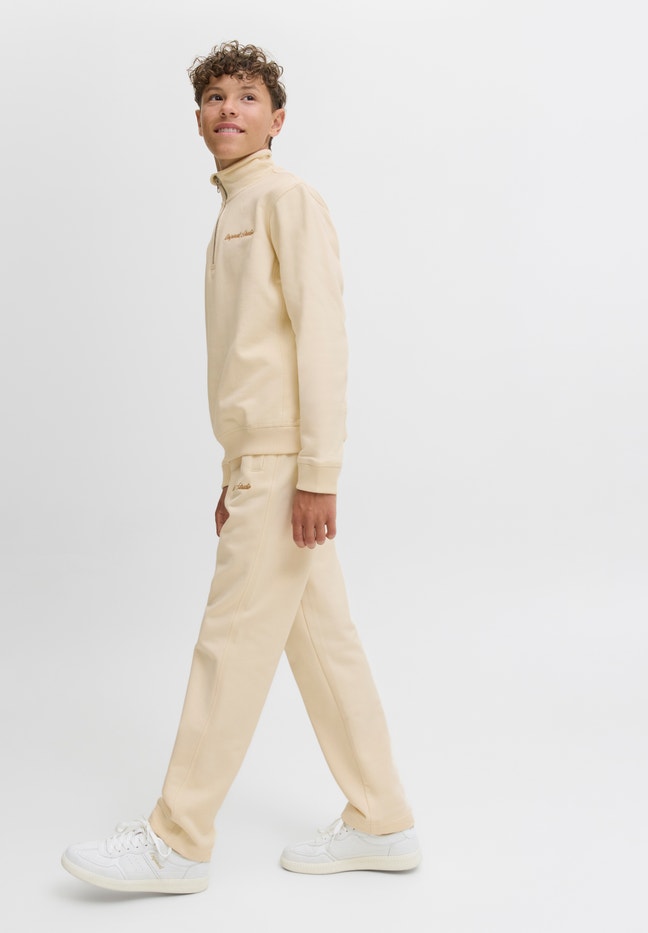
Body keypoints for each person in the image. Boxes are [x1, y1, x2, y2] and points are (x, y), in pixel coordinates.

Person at [61, 40, 419, 894]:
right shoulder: (234, 208)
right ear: (198, 120)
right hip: (260, 463)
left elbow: (323, 341)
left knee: (229, 643)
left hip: (287, 464)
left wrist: (316, 471)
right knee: (325, 644)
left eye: (248, 96)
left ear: (277, 119)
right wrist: (234, 472)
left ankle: (177, 839)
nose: (230, 108)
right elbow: (248, 359)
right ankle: (382, 818)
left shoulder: (287, 200)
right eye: (215, 97)